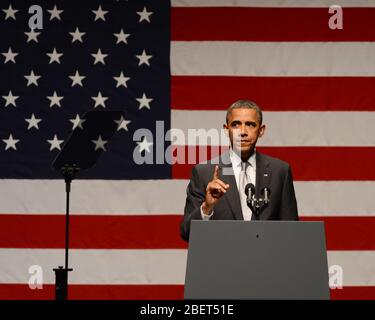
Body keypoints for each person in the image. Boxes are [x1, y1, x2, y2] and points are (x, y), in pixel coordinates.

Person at [180, 100, 298, 242]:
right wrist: (207, 207)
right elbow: (187, 232)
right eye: (236, 124)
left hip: (267, 262)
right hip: (223, 262)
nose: (242, 132)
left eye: (250, 124)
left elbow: (292, 233)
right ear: (226, 129)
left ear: (261, 130)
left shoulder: (280, 171)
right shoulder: (203, 173)